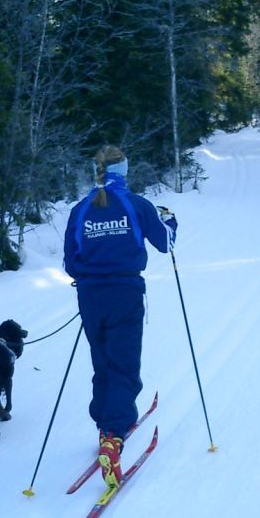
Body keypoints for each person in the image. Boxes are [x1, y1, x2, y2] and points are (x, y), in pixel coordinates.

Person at [64, 145, 177, 490]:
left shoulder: (80, 209)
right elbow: (166, 242)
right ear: (124, 172)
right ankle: (114, 435)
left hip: (90, 296)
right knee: (124, 364)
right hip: (125, 293)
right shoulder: (137, 205)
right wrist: (169, 219)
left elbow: (70, 260)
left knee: (102, 361)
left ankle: (104, 424)